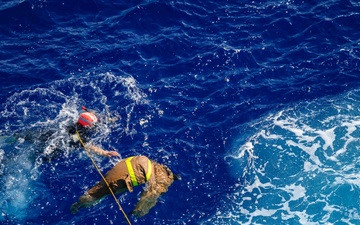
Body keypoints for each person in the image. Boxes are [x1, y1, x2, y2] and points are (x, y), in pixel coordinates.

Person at [70, 155, 178, 217]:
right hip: (125, 175)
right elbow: (148, 198)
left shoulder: (157, 166)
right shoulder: (163, 182)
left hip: (130, 163)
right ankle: (78, 204)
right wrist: (137, 212)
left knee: (100, 190)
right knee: (91, 198)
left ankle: (81, 202)